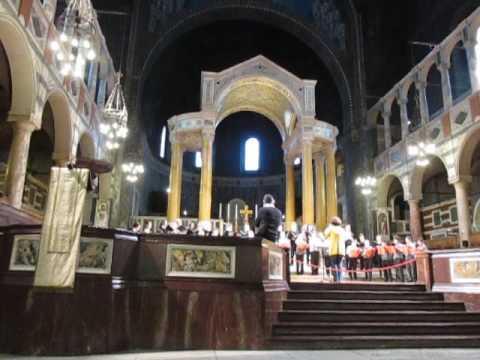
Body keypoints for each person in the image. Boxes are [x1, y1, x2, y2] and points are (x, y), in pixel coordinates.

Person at [324, 216, 347, 283]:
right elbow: (345, 238)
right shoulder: (342, 230)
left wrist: (329, 227)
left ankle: (336, 280)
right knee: (339, 265)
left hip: (333, 250)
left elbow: (325, 235)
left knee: (333, 265)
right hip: (341, 250)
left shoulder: (331, 229)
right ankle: (340, 280)